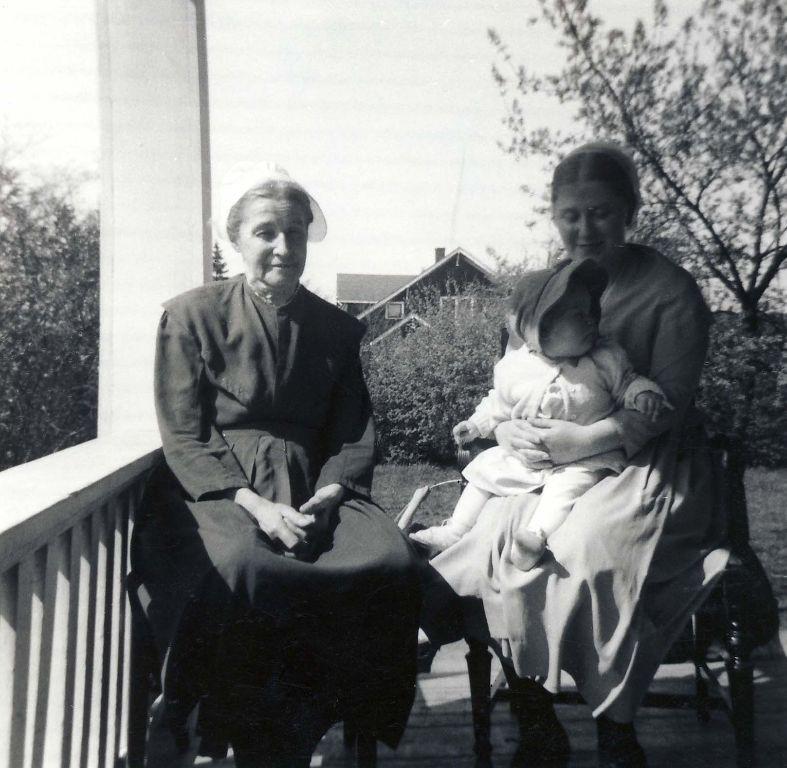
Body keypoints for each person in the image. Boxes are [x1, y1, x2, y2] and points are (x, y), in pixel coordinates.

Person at [419, 142, 728, 768]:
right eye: (570, 215)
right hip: (540, 462)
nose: (585, 229)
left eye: (602, 212)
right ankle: (535, 714)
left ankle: (615, 723)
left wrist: (582, 441)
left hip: (642, 462)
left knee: (585, 548)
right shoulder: (540, 293)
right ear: (554, 217)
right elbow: (510, 383)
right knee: (491, 539)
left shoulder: (672, 293)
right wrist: (504, 434)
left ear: (631, 211)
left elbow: (662, 407)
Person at [129, 163, 422, 768]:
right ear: (236, 240)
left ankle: (323, 720)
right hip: (215, 487)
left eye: (294, 232)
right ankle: (200, 713)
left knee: (389, 562)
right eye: (266, 232)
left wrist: (334, 490)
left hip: (314, 481)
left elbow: (354, 427)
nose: (283, 247)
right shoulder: (190, 315)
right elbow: (183, 431)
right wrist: (254, 504)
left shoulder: (337, 328)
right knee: (242, 563)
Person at [410, 258, 670, 568]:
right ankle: (454, 531)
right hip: (525, 458)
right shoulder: (514, 368)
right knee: (484, 472)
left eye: (591, 312)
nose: (591, 320)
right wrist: (476, 425)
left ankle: (534, 537)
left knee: (567, 488)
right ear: (538, 327)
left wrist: (643, 394)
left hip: (584, 458)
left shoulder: (605, 359)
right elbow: (497, 404)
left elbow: (628, 382)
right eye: (578, 315)